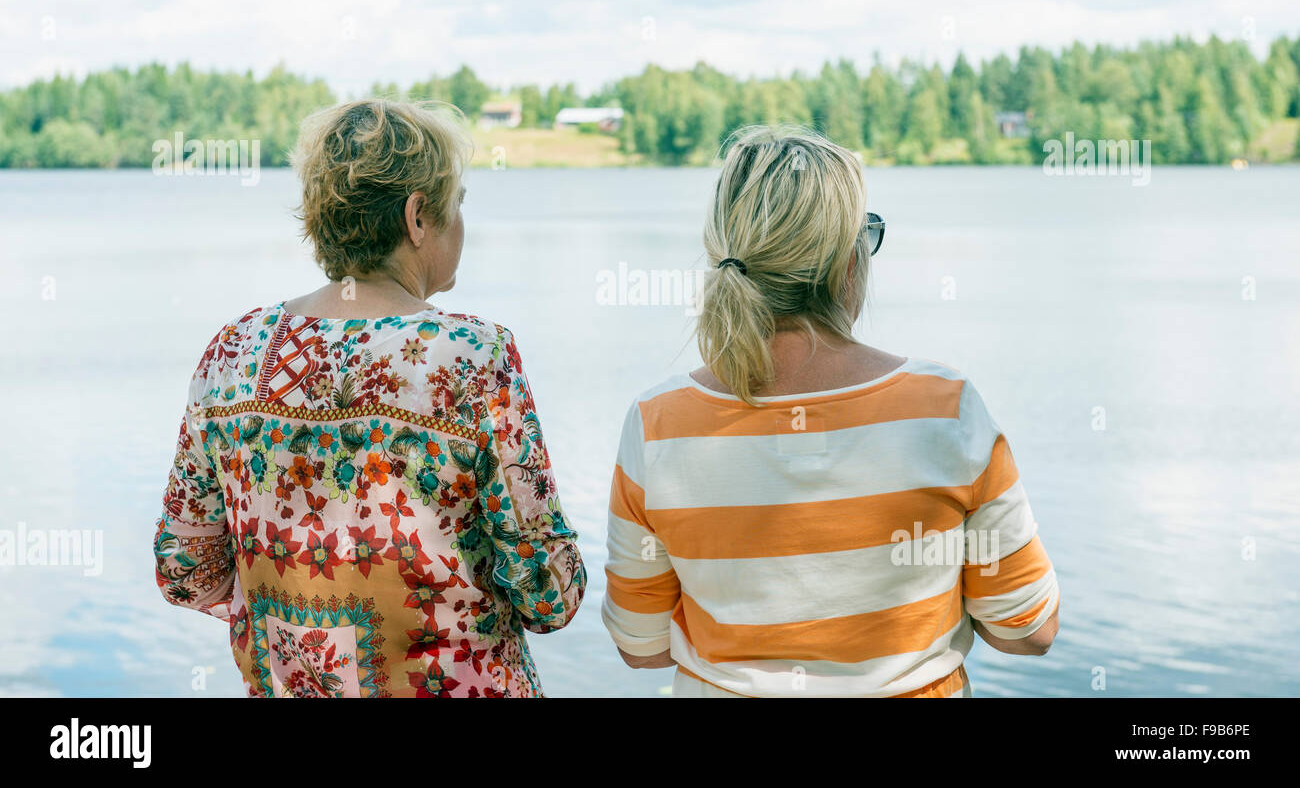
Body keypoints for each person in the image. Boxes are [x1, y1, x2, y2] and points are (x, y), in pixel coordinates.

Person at [601, 126, 1059, 697]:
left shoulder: (656, 424)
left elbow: (640, 648)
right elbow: (1028, 631)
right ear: (849, 261)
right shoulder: (945, 410)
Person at [154, 99, 585, 697]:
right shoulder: (472, 356)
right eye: (456, 203)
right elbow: (549, 592)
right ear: (416, 218)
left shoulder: (233, 351)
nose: (461, 222)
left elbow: (184, 571)